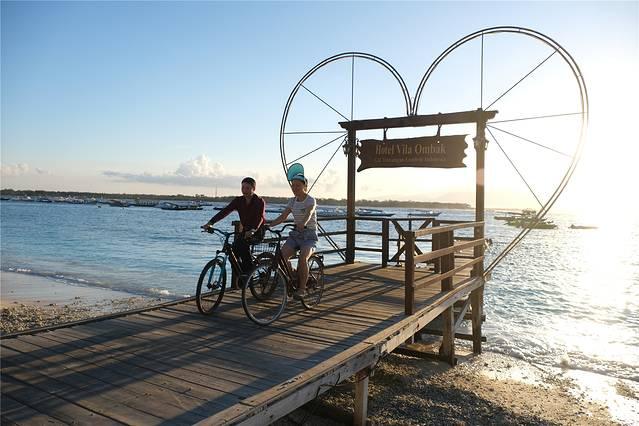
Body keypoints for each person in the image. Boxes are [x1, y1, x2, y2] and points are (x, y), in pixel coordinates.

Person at [268, 170, 317, 300]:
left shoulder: (310, 200)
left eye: (298, 185)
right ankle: (295, 275)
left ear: (304, 186)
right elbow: (283, 216)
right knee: (281, 257)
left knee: (303, 258)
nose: (295, 188)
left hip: (309, 235)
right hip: (295, 234)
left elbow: (309, 212)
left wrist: (303, 223)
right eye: (293, 185)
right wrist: (270, 225)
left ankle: (302, 289)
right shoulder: (292, 201)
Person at [201, 177, 266, 274]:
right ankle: (242, 275)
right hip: (245, 232)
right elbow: (225, 211)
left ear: (254, 189)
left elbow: (260, 218)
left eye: (247, 188)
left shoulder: (259, 201)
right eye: (243, 188)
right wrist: (210, 223)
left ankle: (249, 275)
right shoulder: (238, 200)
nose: (244, 190)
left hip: (257, 232)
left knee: (243, 246)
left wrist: (253, 230)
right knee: (232, 253)